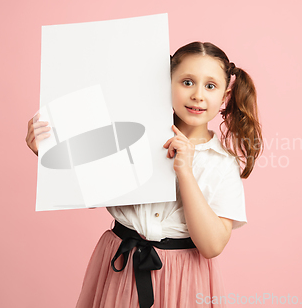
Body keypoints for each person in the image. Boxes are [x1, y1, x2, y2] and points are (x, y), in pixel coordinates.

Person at [25, 41, 263, 307]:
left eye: (210, 86)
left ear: (225, 96)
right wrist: (48, 153)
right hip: (120, 267)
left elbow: (211, 246)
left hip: (183, 278)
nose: (197, 95)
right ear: (166, 83)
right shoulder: (131, 136)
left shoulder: (221, 164)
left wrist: (185, 172)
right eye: (186, 82)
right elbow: (92, 193)